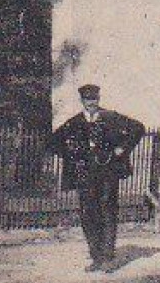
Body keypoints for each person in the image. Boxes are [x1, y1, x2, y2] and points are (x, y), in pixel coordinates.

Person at [46, 83, 146, 272]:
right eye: (87, 99)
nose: (91, 103)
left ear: (98, 99)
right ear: (82, 101)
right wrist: (70, 155)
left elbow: (138, 128)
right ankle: (96, 256)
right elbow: (53, 142)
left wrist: (122, 148)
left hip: (107, 172)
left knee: (107, 210)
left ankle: (108, 257)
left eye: (94, 99)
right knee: (88, 214)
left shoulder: (111, 118)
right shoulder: (73, 123)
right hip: (84, 175)